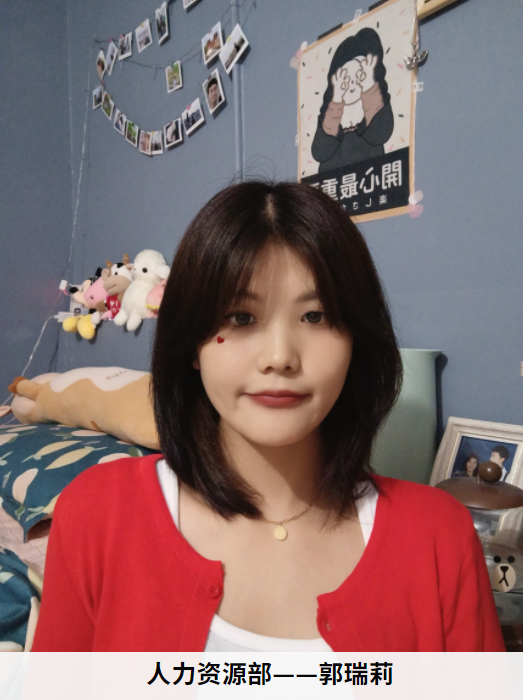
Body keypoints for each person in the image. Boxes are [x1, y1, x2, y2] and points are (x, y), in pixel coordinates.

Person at [32, 181, 504, 652]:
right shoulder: (96, 515)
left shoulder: (439, 536)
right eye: (241, 317)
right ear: (193, 345)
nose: (280, 357)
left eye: (315, 316)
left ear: (355, 342)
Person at [312, 28, 394, 171]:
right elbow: (319, 152)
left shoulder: (376, 104)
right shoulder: (330, 114)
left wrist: (369, 87)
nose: (351, 84)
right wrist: (337, 99)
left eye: (359, 76)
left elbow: (381, 133)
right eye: (345, 77)